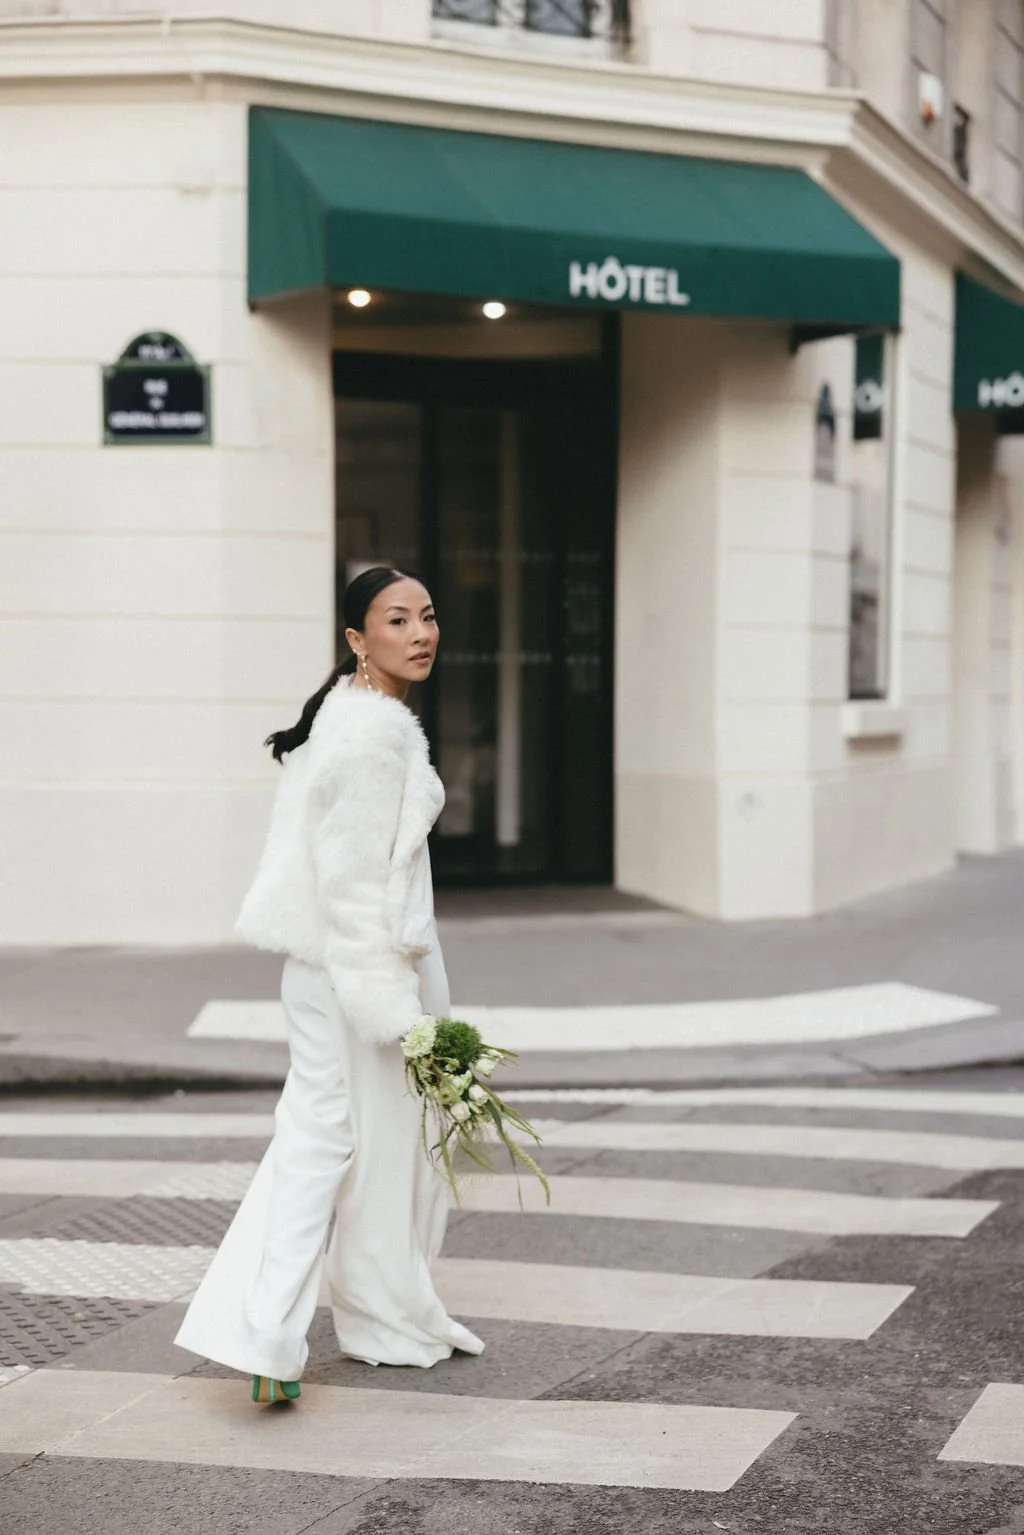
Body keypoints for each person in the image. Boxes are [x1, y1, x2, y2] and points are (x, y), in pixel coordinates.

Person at [174, 566, 485, 1404]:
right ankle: (279, 1332)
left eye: (427, 615)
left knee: (332, 1141)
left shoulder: (348, 717)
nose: (420, 632)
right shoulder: (371, 734)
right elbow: (354, 886)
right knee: (341, 1145)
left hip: (328, 966)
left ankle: (292, 1330)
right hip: (358, 969)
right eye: (396, 619)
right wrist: (403, 1019)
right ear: (358, 638)